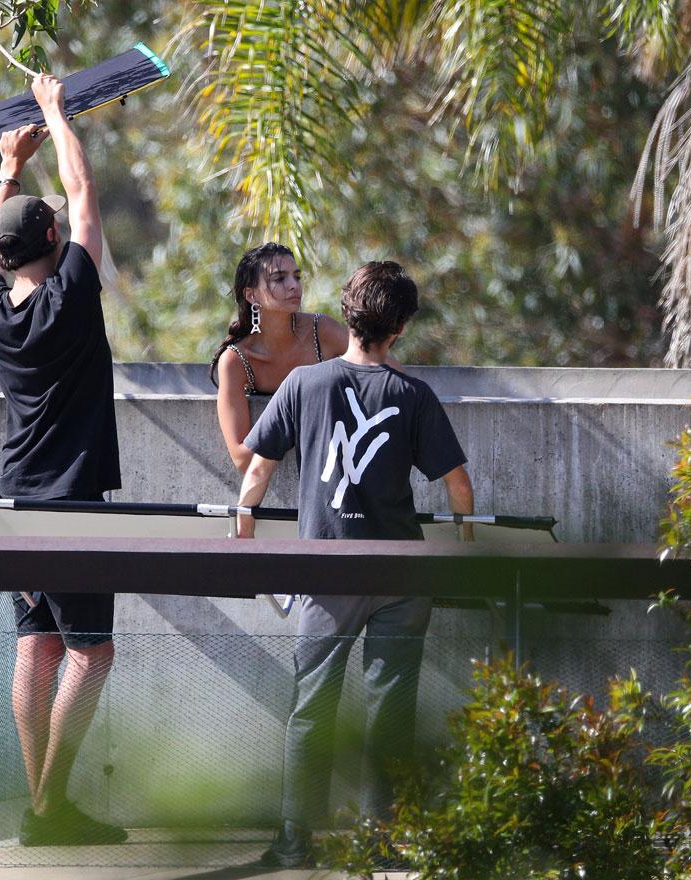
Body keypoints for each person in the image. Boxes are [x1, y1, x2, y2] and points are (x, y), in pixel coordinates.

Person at [232, 260, 476, 868]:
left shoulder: (303, 386)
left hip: (325, 572)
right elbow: (457, 484)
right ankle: (382, 840)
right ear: (399, 329)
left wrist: (244, 529)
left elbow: (256, 470)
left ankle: (295, 839)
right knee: (391, 712)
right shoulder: (413, 396)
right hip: (399, 574)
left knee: (310, 707)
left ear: (349, 315)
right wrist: (466, 536)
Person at [0, 73, 126, 847]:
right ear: (55, 245)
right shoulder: (72, 295)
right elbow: (85, 190)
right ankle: (47, 807)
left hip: (12, 502)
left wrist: (6, 165)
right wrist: (57, 114)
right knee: (90, 653)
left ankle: (42, 808)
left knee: (37, 646)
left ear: (6, 253)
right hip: (70, 505)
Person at [210, 242, 349, 473]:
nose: (294, 286)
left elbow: (382, 368)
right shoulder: (236, 361)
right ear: (251, 295)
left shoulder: (322, 330)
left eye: (297, 277)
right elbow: (242, 459)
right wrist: (293, 413)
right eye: (279, 279)